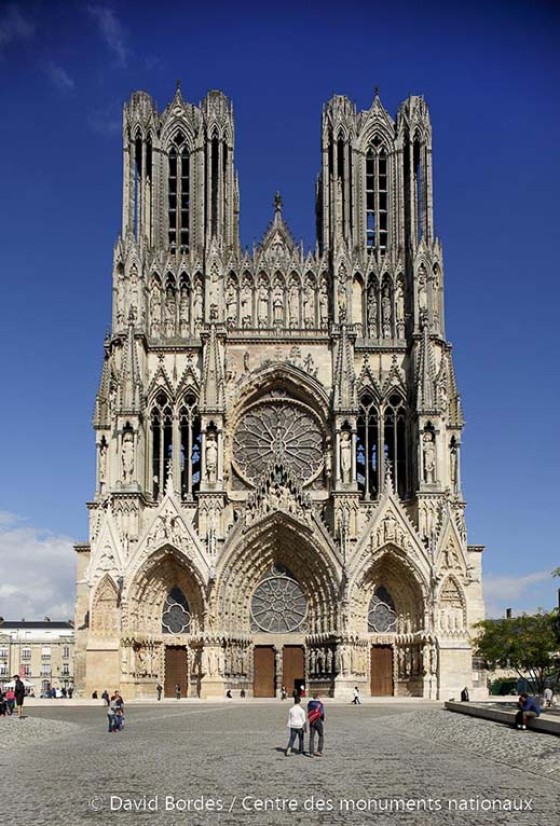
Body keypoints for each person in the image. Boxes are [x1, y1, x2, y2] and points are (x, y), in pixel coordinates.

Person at [307, 693, 325, 758]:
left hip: (312, 721)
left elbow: (309, 712)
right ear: (318, 697)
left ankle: (311, 753)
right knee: (321, 735)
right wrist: (322, 719)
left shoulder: (309, 704)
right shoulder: (320, 704)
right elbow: (322, 713)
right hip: (318, 720)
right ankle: (319, 751)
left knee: (311, 737)